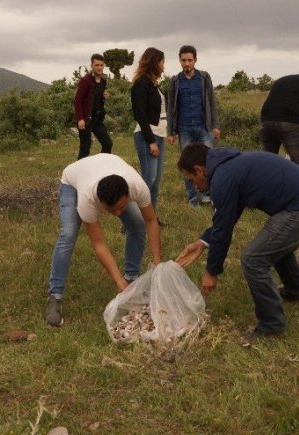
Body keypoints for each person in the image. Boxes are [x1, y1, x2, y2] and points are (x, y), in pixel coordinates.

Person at [175, 143, 299, 343]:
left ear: (199, 169)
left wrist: (211, 272)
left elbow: (223, 230)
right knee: (273, 244)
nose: (195, 186)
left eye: (192, 179)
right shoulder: (228, 167)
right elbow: (226, 218)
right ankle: (295, 290)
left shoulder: (223, 177)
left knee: (253, 259)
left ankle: (272, 326)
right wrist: (203, 242)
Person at [44, 153, 162, 327]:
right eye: (111, 209)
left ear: (128, 195)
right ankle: (55, 296)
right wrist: (117, 281)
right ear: (101, 202)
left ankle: (131, 278)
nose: (117, 214)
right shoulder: (87, 199)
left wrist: (158, 259)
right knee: (68, 234)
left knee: (137, 224)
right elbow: (99, 243)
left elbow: (151, 221)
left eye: (122, 207)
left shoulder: (138, 187)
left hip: (108, 165)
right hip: (73, 180)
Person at [166, 45, 221, 207]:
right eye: (184, 60)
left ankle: (208, 194)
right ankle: (192, 199)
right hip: (184, 129)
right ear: (180, 61)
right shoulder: (175, 81)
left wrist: (215, 125)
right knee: (187, 164)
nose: (187, 63)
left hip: (204, 127)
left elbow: (212, 102)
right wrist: (171, 131)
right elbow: (170, 108)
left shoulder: (204, 78)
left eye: (190, 60)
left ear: (195, 60)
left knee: (210, 161)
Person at [259, 70, 299, 168]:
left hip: (266, 121)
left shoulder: (281, 80)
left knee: (267, 163)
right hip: (290, 123)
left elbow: (267, 101)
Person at [131, 47, 167, 214]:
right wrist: (151, 141)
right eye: (161, 62)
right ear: (154, 63)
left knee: (155, 181)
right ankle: (133, 220)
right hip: (148, 136)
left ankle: (150, 219)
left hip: (159, 135)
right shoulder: (141, 83)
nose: (163, 65)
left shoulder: (153, 84)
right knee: (147, 180)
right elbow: (140, 115)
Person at [73, 54, 113, 159]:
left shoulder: (103, 81)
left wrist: (103, 96)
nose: (99, 67)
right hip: (86, 119)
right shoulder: (85, 81)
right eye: (97, 65)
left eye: (101, 65)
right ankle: (79, 173)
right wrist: (80, 119)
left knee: (107, 143)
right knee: (85, 148)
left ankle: (100, 167)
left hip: (97, 119)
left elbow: (95, 98)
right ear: (92, 65)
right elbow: (77, 101)